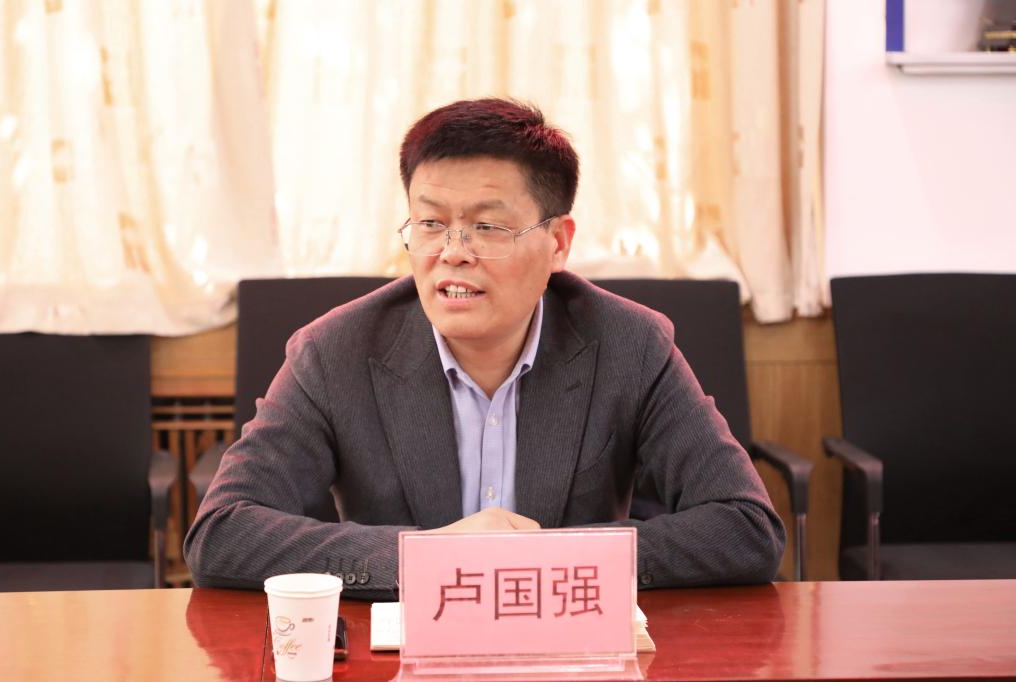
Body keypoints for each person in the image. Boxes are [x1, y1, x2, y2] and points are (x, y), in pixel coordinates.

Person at [185, 98, 785, 599]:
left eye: (488, 227)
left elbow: (745, 527)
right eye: (430, 224)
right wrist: (426, 556)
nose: (453, 252)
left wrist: (547, 561)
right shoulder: (333, 352)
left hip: (570, 650)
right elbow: (222, 533)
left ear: (558, 243)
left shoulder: (630, 345)